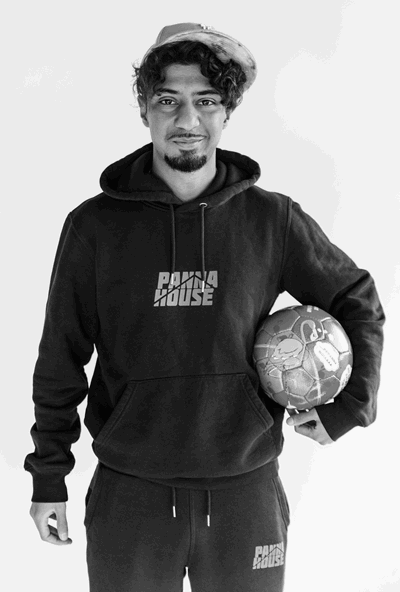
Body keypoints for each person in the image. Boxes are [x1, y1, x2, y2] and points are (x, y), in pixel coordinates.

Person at [25, 23, 385, 592]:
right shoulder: (94, 227)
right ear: (144, 108)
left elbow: (357, 298)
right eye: (168, 100)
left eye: (207, 101)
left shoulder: (272, 220)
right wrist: (50, 477)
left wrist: (351, 407)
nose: (187, 120)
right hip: (130, 495)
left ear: (227, 111)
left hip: (246, 494)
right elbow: (60, 358)